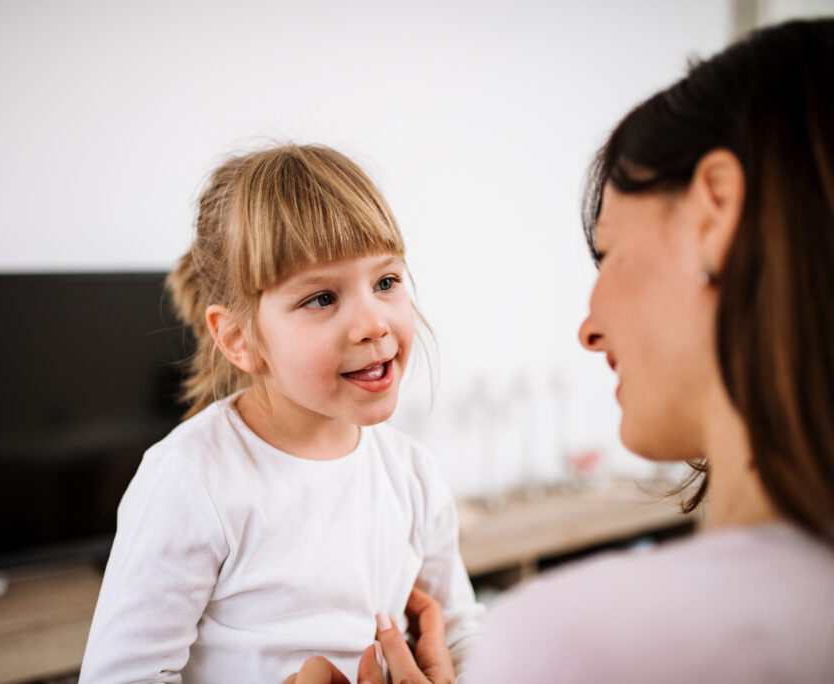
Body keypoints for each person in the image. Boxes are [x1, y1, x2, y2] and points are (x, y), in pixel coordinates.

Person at [287, 17, 834, 684]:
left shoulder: (575, 644)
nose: (588, 327)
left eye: (610, 254)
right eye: (320, 298)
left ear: (715, 212)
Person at [78, 144, 483, 683]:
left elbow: (459, 633)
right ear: (240, 338)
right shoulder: (190, 479)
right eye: (321, 298)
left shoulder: (412, 475)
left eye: (386, 282)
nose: (373, 323)